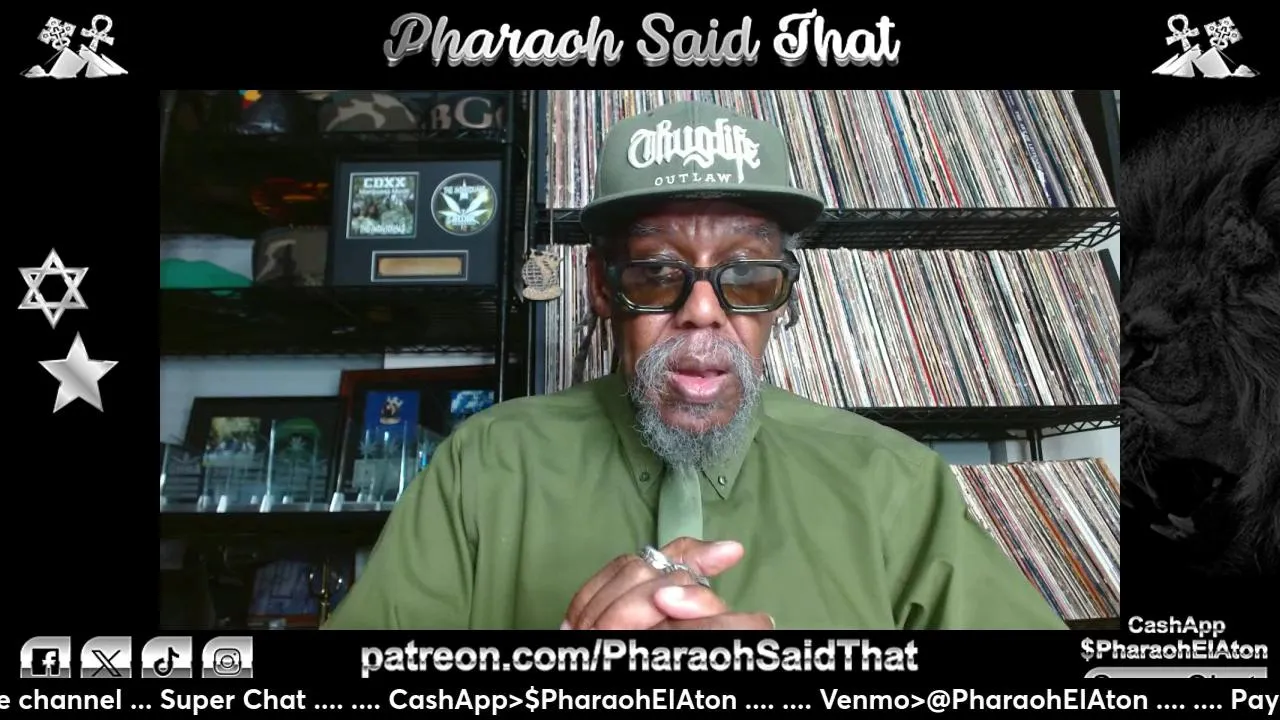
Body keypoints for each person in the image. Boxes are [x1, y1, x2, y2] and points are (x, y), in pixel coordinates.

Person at [325, 100, 1067, 630]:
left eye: (747, 275)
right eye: (655, 273)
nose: (704, 311)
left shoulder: (895, 482)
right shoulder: (484, 463)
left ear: (782, 294)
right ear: (600, 288)